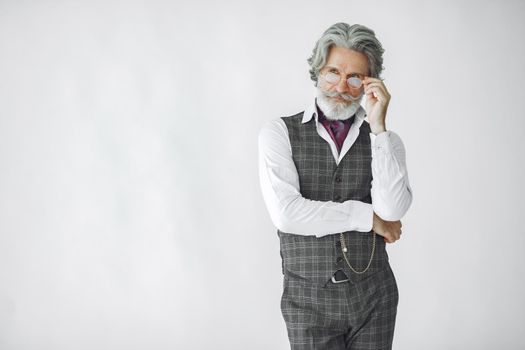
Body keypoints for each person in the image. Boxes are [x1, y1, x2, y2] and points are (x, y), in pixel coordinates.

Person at [258, 22, 413, 349]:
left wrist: (379, 126)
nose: (341, 86)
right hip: (308, 302)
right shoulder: (280, 133)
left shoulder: (385, 141)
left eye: (355, 77)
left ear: (370, 84)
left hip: (374, 297)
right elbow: (287, 214)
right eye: (332, 72)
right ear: (317, 71)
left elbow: (393, 209)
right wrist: (369, 218)